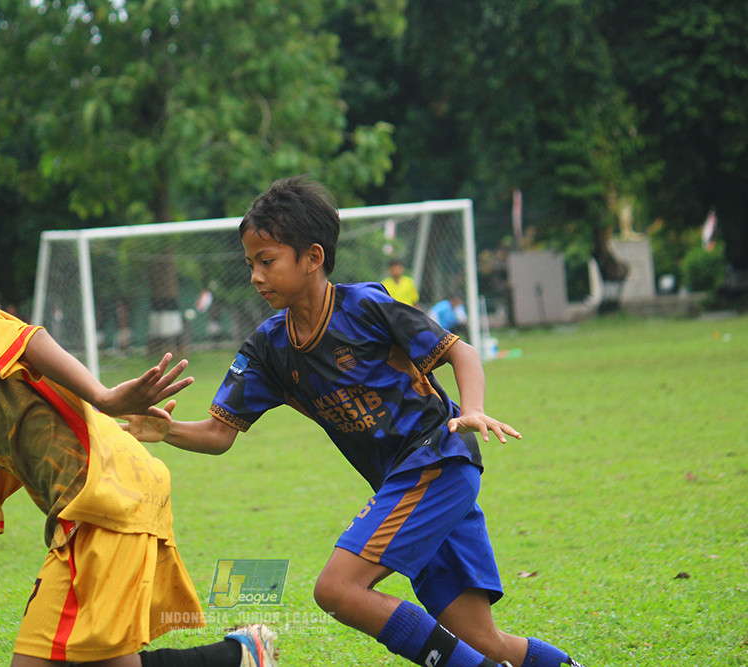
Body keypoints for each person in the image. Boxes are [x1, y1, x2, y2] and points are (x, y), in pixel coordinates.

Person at [125, 177, 586, 667]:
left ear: (313, 258)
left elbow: (461, 352)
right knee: (482, 642)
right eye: (250, 264)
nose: (256, 277)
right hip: (407, 483)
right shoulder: (268, 348)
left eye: (267, 261)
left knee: (338, 589)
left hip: (438, 459)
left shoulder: (366, 307)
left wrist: (471, 409)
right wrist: (166, 430)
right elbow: (220, 434)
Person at [0, 234, 278, 667]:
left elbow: (26, 338)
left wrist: (104, 396)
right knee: (97, 659)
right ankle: (240, 655)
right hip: (108, 496)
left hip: (99, 499)